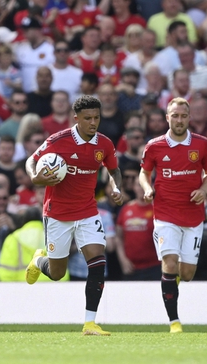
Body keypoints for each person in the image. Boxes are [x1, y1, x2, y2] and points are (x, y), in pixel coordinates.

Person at [24, 95, 123, 336]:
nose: (93, 122)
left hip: (88, 211)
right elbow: (31, 160)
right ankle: (39, 260)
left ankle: (90, 323)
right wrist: (35, 176)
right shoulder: (58, 140)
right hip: (57, 213)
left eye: (96, 118)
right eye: (87, 118)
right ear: (76, 118)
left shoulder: (105, 144)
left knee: (98, 261)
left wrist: (116, 187)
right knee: (58, 273)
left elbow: (114, 169)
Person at [139, 97, 207, 333]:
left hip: (193, 217)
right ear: (167, 117)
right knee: (169, 262)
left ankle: (172, 285)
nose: (179, 120)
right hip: (165, 214)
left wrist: (203, 190)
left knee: (187, 273)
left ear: (189, 118)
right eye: (175, 115)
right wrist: (148, 188)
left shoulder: (202, 145)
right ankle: (174, 321)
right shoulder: (154, 146)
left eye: (183, 116)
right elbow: (144, 173)